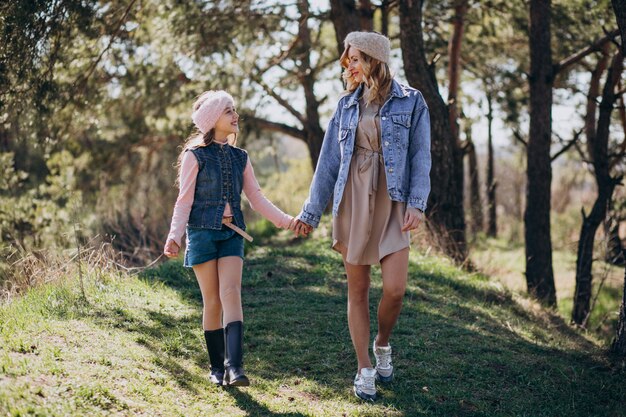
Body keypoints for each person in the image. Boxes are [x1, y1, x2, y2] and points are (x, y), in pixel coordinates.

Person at [293, 31, 431, 401]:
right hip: (353, 197)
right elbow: (327, 164)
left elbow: (421, 156)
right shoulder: (345, 106)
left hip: (394, 199)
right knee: (357, 289)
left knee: (395, 290)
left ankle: (382, 344)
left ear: (373, 60)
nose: (347, 65)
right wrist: (311, 212)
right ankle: (363, 368)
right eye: (347, 59)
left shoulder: (412, 102)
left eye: (354, 58)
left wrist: (417, 202)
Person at [163, 90, 298, 387]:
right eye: (228, 111)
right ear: (212, 120)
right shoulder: (193, 156)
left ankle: (235, 368)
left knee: (231, 293)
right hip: (201, 234)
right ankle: (216, 369)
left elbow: (257, 198)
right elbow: (183, 202)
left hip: (231, 234)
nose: (235, 115)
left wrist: (288, 222)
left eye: (234, 109)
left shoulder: (241, 157)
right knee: (212, 301)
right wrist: (174, 236)